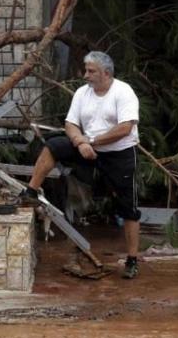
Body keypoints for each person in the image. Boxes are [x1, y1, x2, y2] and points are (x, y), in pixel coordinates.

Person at [20, 51, 142, 279]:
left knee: (128, 209)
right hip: (87, 147)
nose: (86, 75)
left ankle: (132, 260)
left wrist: (92, 141)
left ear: (106, 73)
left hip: (119, 153)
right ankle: (31, 191)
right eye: (86, 70)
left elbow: (125, 128)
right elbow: (70, 123)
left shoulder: (123, 92)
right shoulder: (82, 93)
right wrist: (79, 141)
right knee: (54, 145)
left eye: (91, 71)